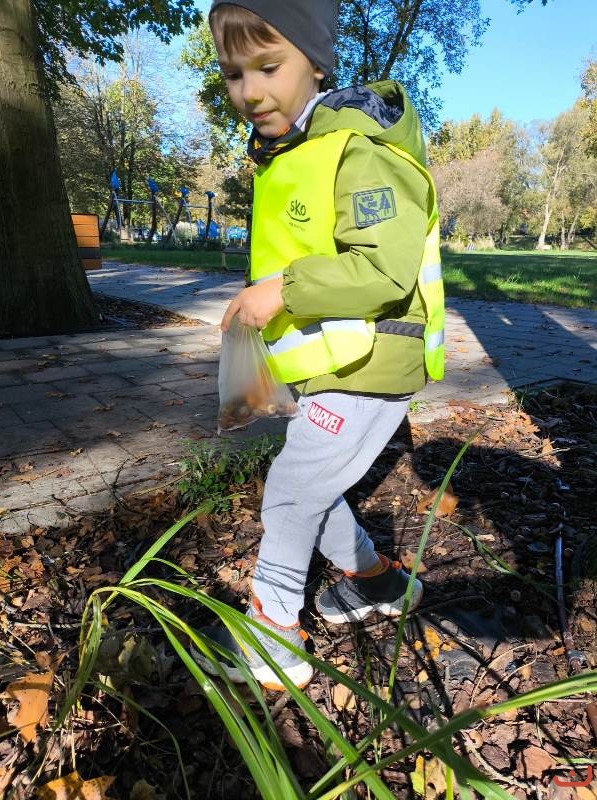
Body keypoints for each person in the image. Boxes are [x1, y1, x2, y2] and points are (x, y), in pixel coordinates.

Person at [194, 0, 445, 691]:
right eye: (233, 74)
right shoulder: (295, 153)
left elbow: (384, 270)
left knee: (290, 491)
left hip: (371, 362)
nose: (249, 92)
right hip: (338, 364)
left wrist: (280, 291)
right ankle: (377, 582)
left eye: (268, 66)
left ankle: (271, 637)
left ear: (316, 63)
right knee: (313, 485)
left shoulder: (360, 149)